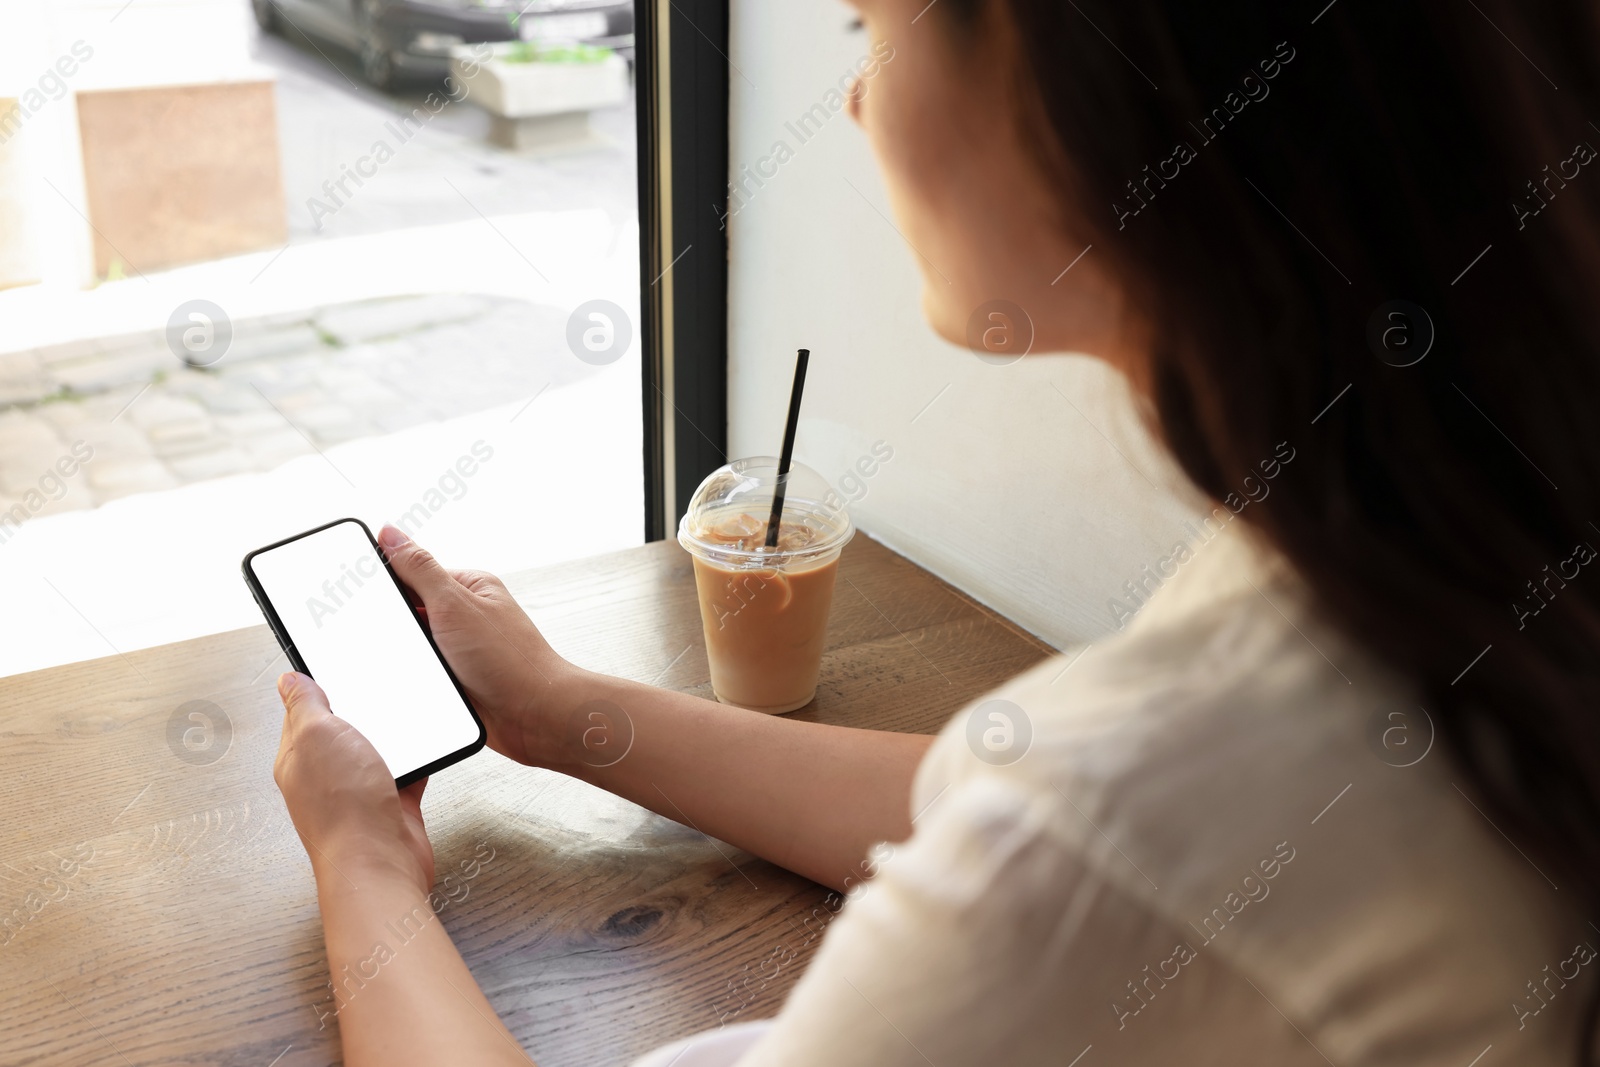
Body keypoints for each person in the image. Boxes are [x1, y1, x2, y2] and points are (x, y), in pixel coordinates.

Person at [272, 0, 1600, 1063]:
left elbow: (1076, 837)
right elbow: (1002, 806)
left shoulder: (1148, 804)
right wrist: (561, 712)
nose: (853, 99)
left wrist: (365, 869)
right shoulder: (1422, 535)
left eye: (868, 29)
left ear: (1079, 85)